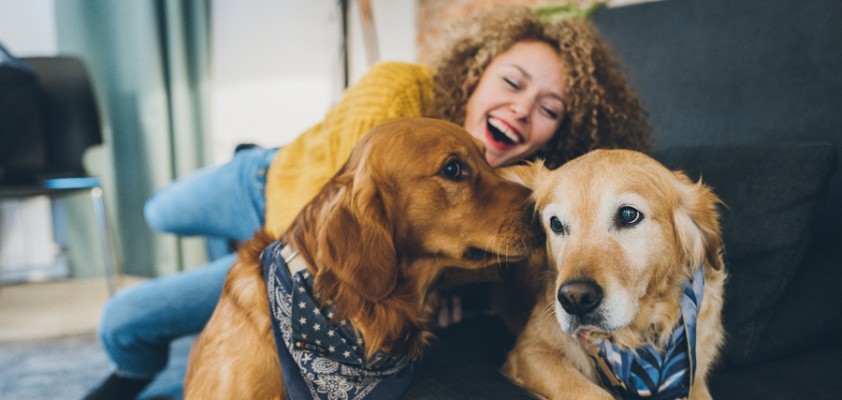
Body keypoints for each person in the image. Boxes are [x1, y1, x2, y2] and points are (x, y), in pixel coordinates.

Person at [84, 4, 650, 399]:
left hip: (337, 238)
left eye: (549, 108)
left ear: (557, 133)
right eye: (512, 81)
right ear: (477, 74)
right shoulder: (398, 93)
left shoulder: (510, 189)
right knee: (157, 214)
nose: (524, 109)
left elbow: (444, 257)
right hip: (277, 181)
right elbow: (328, 229)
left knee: (130, 320)